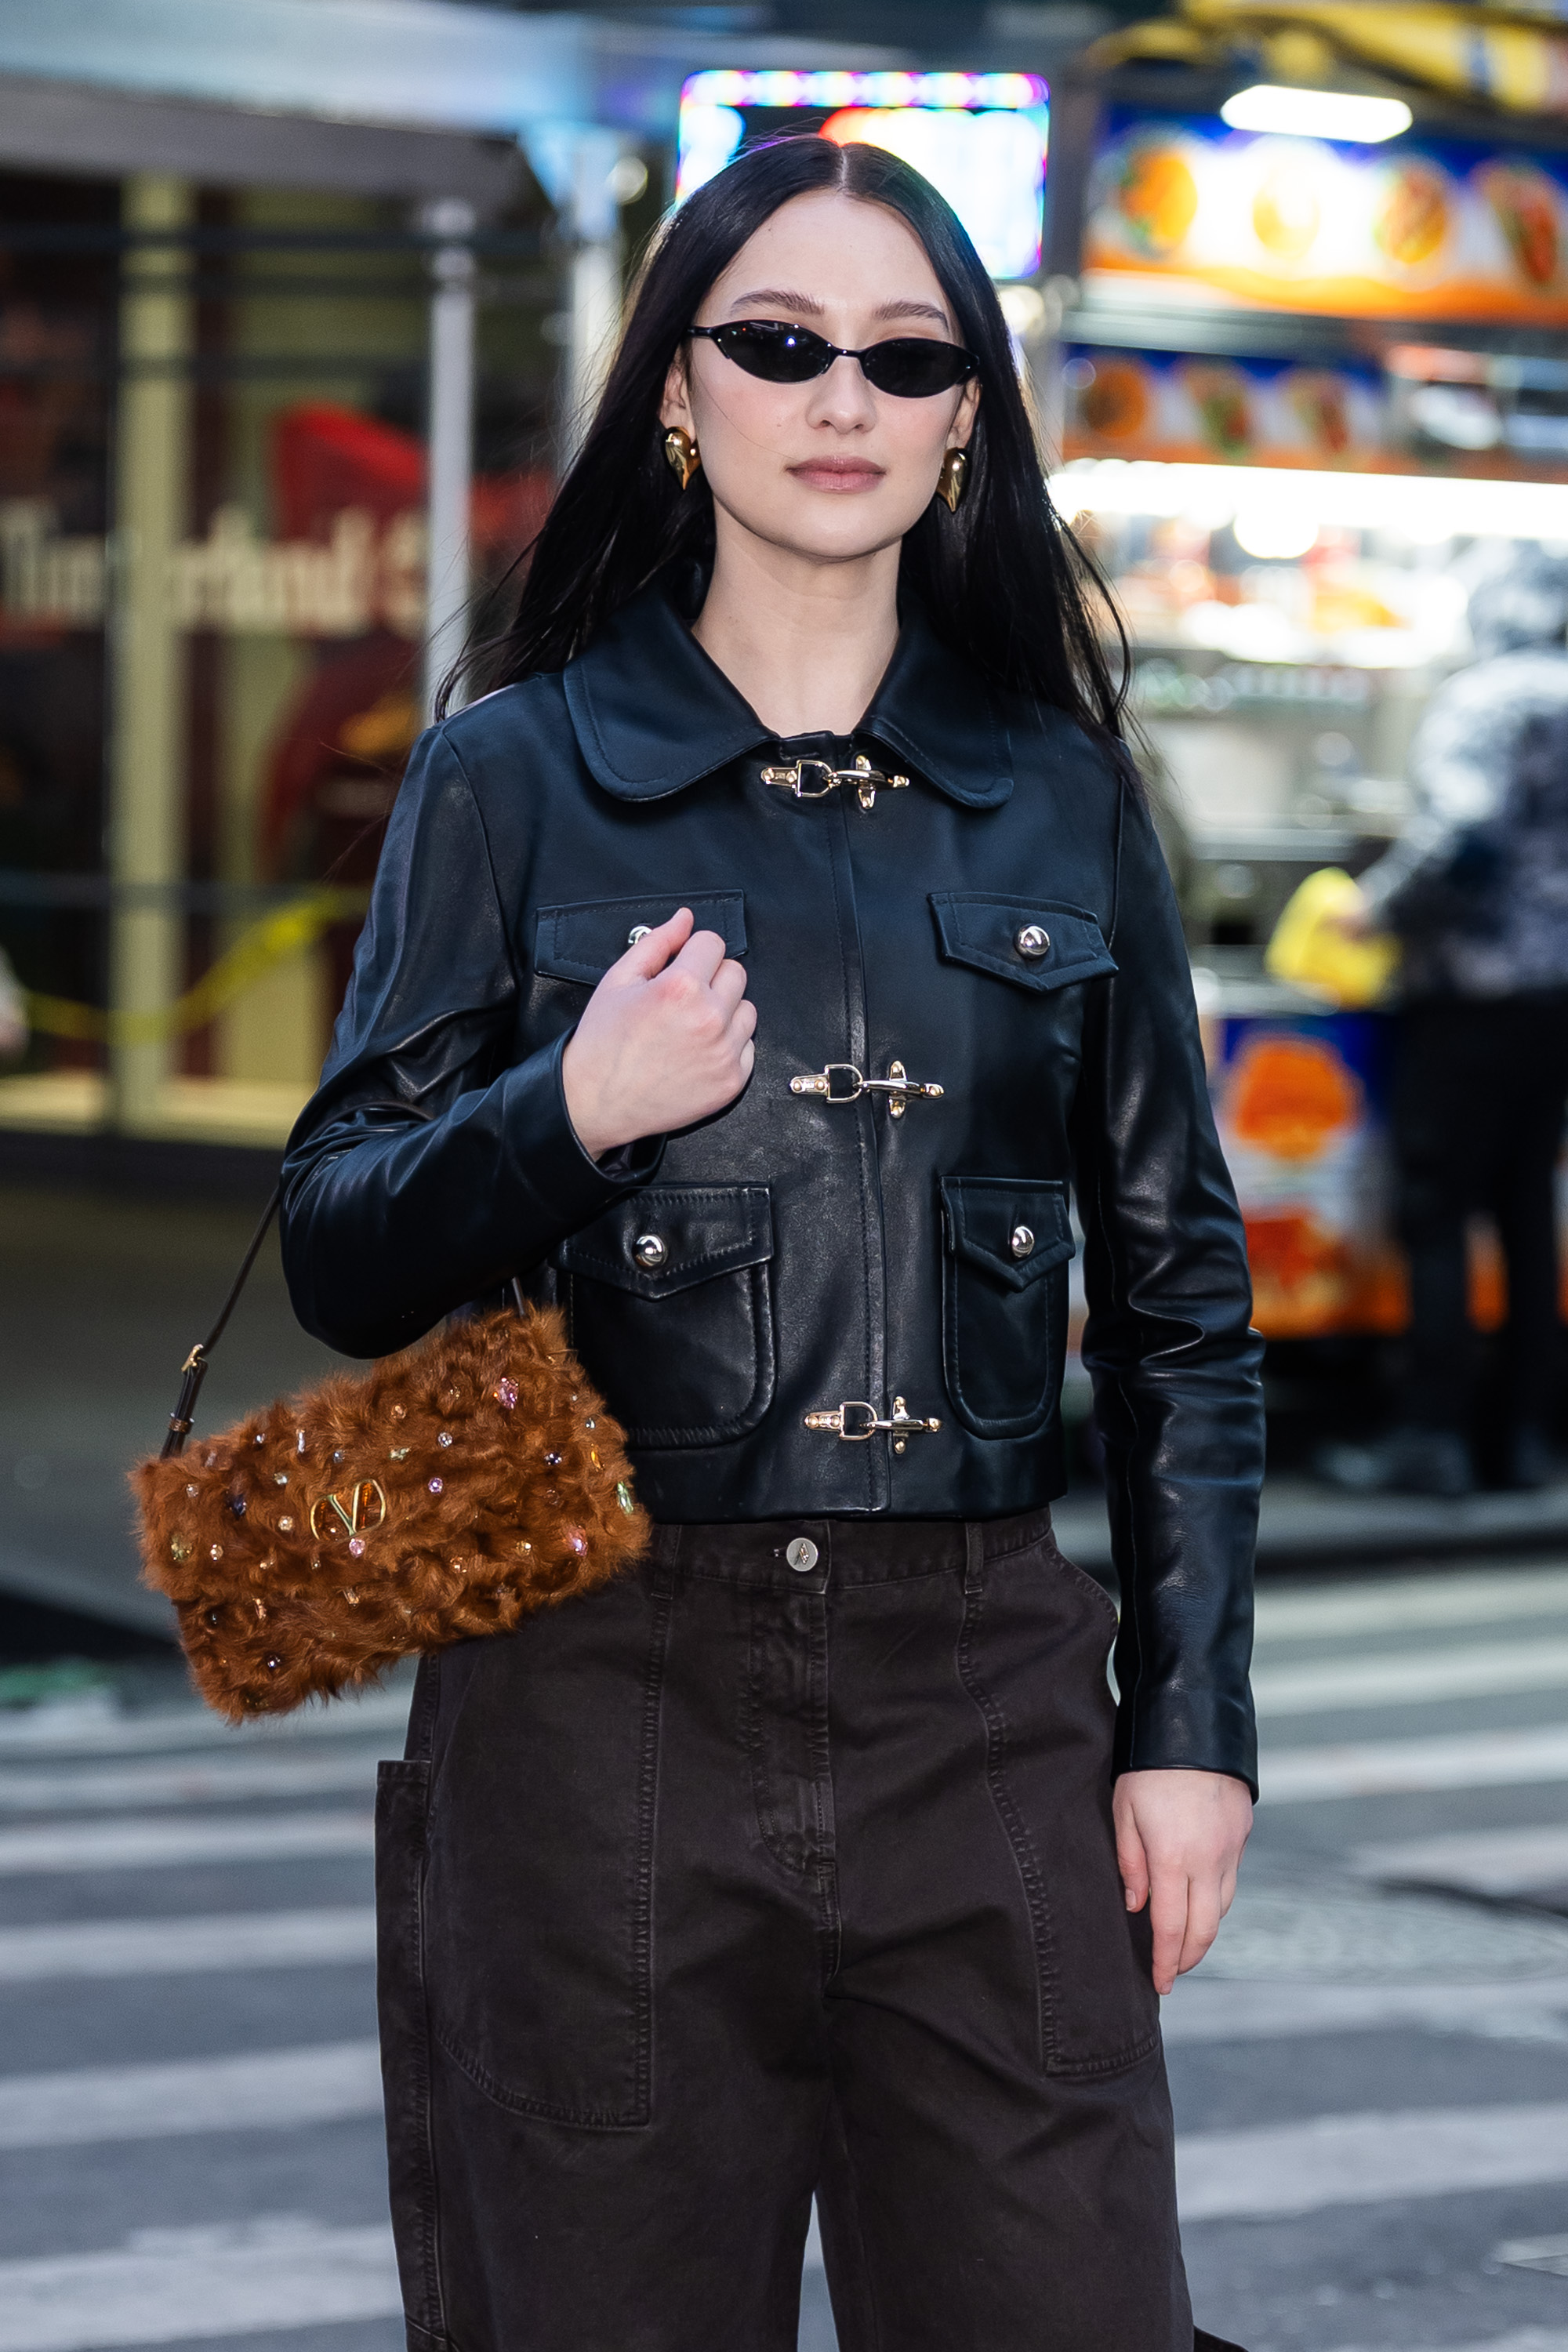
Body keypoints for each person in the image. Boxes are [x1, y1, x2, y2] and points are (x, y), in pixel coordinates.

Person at [280, 136, 1261, 2352]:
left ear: (964, 415)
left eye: (906, 357)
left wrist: (1191, 1724)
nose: (841, 396)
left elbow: (1182, 1311)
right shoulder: (511, 773)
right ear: (676, 389)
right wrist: (567, 1110)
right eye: (779, 341)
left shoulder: (1063, 790)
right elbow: (339, 1244)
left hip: (983, 1690)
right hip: (595, 1695)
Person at [1321, 553, 1568, 1500]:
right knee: (1524, 1213)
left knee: (1434, 1213)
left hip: (1468, 995)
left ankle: (1430, 1436)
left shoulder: (1480, 701)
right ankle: (1522, 1439)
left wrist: (1375, 911)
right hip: (1553, 998)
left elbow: (1461, 836)